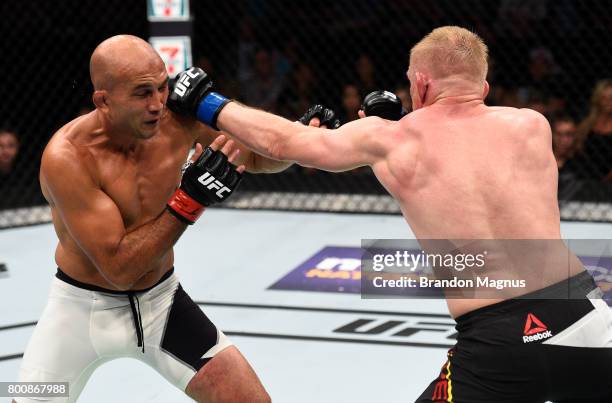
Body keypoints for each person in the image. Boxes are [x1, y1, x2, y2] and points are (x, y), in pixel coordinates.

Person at [168, 26, 612, 402]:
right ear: (484, 85)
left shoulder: (391, 141)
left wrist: (205, 101)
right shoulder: (532, 125)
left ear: (419, 84)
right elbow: (466, 148)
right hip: (586, 319)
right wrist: (400, 122)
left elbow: (284, 144)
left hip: (499, 343)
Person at [14, 34, 297, 403]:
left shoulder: (177, 121)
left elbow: (258, 156)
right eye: (142, 93)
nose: (157, 104)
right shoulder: (67, 157)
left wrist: (297, 138)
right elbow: (119, 268)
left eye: (162, 87)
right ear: (103, 100)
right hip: (79, 311)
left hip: (161, 304)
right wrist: (190, 200)